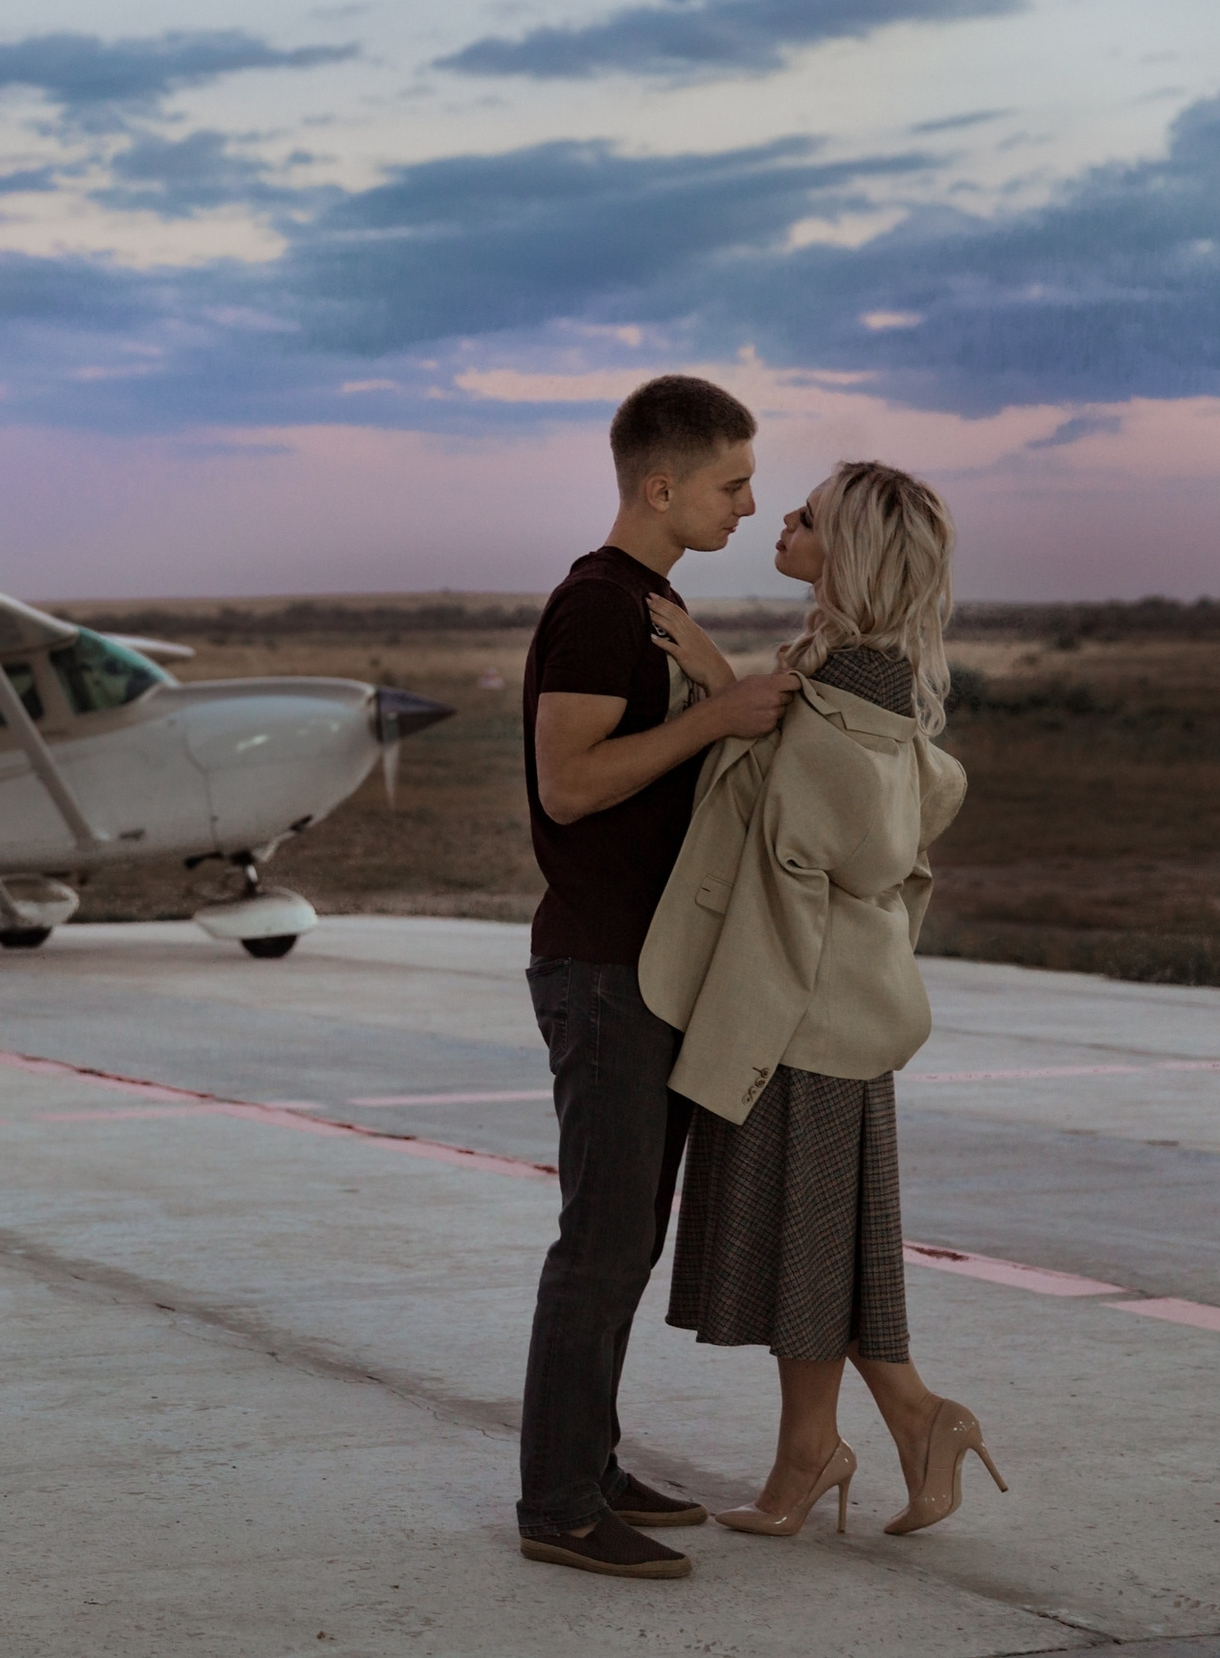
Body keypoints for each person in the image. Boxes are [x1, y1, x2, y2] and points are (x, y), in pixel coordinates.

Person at [639, 462, 999, 1540]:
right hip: (826, 1010)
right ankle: (835, 1445)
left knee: (812, 1245)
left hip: (805, 1017)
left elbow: (855, 841)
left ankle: (888, 1427)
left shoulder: (854, 694)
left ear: (848, 553)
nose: (780, 522)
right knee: (818, 1244)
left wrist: (713, 683)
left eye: (806, 516)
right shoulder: (848, 672)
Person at [515, 376, 800, 1579]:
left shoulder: (652, 602)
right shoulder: (595, 606)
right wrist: (713, 716)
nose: (750, 501)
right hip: (600, 963)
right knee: (599, 1236)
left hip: (647, 963)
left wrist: (726, 695)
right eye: (732, 481)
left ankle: (589, 1457)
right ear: (660, 483)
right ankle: (559, 1507)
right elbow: (568, 785)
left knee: (626, 1233)